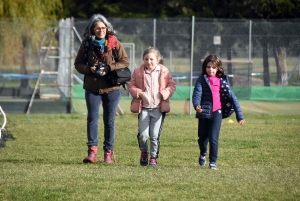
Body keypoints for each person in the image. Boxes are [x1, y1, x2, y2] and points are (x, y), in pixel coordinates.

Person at [74, 14, 129, 163]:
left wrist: (109, 67)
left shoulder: (114, 42)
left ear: (107, 28)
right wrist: (89, 69)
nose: (101, 30)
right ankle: (92, 153)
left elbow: (124, 61)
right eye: (98, 28)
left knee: (109, 121)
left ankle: (108, 154)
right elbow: (78, 64)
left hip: (112, 87)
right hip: (92, 87)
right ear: (92, 29)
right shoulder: (86, 43)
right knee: (92, 118)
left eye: (103, 28)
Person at [192, 54, 245, 170]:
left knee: (213, 138)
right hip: (204, 112)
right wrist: (197, 105)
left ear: (218, 69)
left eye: (213, 67)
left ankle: (213, 162)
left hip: (217, 112)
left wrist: (239, 116)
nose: (210, 70)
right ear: (205, 67)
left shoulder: (222, 81)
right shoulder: (201, 80)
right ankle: (203, 153)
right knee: (202, 138)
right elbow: (197, 94)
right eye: (208, 67)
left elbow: (233, 98)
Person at [128, 47, 176, 166]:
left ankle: (153, 158)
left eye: (151, 59)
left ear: (158, 60)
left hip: (158, 109)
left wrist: (163, 94)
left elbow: (171, 85)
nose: (149, 62)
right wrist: (141, 94)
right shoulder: (138, 72)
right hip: (143, 108)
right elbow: (131, 86)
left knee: (154, 136)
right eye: (146, 59)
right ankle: (144, 152)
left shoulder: (164, 71)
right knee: (143, 136)